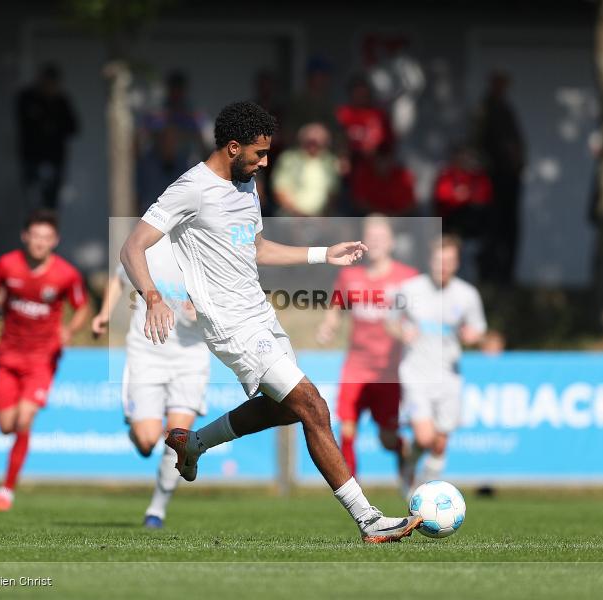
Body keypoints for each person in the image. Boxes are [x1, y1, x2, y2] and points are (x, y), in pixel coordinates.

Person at [121, 101, 421, 543]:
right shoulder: (191, 188)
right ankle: (368, 519)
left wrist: (323, 253)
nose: (264, 163)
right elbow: (132, 246)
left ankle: (195, 443)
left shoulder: (247, 187)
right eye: (259, 154)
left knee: (284, 408)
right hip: (229, 325)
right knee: (313, 405)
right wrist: (152, 297)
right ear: (233, 146)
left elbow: (257, 249)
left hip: (261, 316)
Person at [0, 210, 89, 512]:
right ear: (25, 237)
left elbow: (81, 307)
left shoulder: (66, 274)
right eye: (35, 236)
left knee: (24, 420)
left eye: (46, 238)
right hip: (8, 356)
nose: (40, 243)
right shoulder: (7, 265)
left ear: (55, 241)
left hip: (42, 359)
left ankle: (7, 489)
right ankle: (9, 477)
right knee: (5, 426)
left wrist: (69, 330)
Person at [92, 237, 209, 529]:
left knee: (178, 438)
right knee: (146, 441)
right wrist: (104, 315)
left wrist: (205, 311)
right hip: (147, 354)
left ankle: (156, 511)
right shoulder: (148, 246)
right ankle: (138, 430)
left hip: (190, 358)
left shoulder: (207, 248)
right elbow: (119, 278)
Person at [315, 215, 418, 478]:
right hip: (356, 367)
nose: (376, 242)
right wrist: (329, 326)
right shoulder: (350, 276)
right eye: (370, 237)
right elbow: (336, 307)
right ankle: (353, 493)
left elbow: (422, 315)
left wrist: (414, 332)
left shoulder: (408, 278)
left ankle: (403, 453)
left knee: (387, 438)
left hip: (389, 371)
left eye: (381, 237)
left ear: (392, 242)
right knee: (347, 428)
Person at [389, 235, 487, 497]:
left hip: (449, 376)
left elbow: (479, 329)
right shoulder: (410, 289)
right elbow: (391, 321)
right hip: (415, 373)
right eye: (438, 261)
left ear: (456, 264)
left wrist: (473, 337)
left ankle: (424, 490)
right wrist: (401, 332)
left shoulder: (467, 295)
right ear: (430, 261)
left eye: (449, 262)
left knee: (440, 444)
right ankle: (412, 479)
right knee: (424, 437)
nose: (442, 267)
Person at [475, 71, 526, 284]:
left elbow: (516, 144)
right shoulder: (486, 110)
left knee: (508, 227)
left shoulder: (505, 109)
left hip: (508, 178)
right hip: (492, 178)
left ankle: (506, 274)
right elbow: (481, 143)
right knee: (492, 227)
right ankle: (491, 272)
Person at [16, 63, 79, 210]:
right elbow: (25, 124)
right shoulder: (27, 98)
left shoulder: (61, 102)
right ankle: (33, 231)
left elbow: (73, 127)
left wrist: (53, 125)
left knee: (50, 206)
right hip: (32, 159)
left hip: (55, 160)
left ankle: (48, 232)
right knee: (32, 203)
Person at [271, 122, 340, 217]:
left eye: (317, 142)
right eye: (310, 141)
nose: (313, 145)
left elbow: (333, 193)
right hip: (291, 217)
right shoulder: (289, 159)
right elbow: (280, 190)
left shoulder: (330, 161)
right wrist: (298, 214)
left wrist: (322, 215)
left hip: (321, 218)